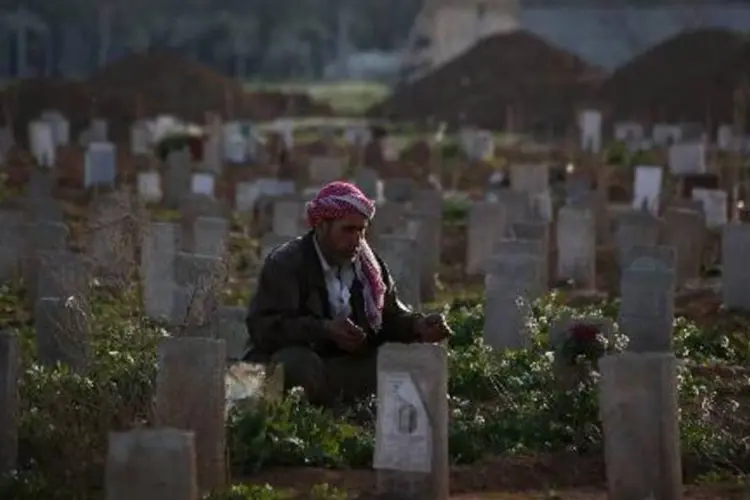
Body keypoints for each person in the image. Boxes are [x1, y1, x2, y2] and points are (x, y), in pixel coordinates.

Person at [244, 181, 452, 406]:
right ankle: (315, 416)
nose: (357, 239)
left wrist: (416, 326)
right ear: (322, 226)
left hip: (345, 367)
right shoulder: (286, 263)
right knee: (297, 365)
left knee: (406, 361)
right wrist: (324, 330)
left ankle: (351, 409)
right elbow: (265, 329)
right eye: (348, 230)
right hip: (300, 364)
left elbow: (388, 318)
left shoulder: (369, 266)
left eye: (361, 230)